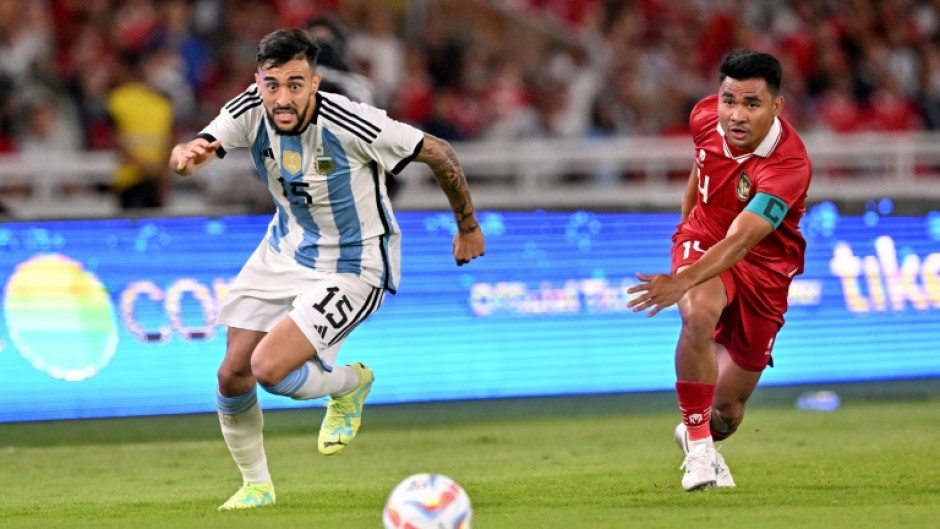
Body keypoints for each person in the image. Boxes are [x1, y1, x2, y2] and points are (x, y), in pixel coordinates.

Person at [167, 28, 485, 510]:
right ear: (259, 81)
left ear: (314, 83)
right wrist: (185, 157)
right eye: (272, 84)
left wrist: (467, 225)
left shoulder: (353, 122)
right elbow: (202, 147)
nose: (282, 97)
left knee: (268, 369)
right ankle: (257, 487)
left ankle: (350, 385)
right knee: (232, 373)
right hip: (285, 249)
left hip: (356, 264)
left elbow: (439, 151)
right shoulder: (250, 107)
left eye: (295, 85)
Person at [626, 49, 812, 491]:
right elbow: (702, 166)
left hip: (764, 270)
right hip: (705, 239)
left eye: (752, 104)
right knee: (697, 312)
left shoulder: (789, 165)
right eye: (729, 100)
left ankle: (703, 435)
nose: (736, 114)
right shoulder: (704, 116)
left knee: (728, 411)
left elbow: (743, 240)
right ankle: (699, 448)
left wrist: (681, 279)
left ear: (776, 106)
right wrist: (686, 236)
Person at [107, 50, 175, 209]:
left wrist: (143, 168)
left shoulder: (116, 99)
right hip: (156, 178)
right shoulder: (162, 101)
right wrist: (161, 174)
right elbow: (170, 142)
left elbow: (117, 141)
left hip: (130, 179)